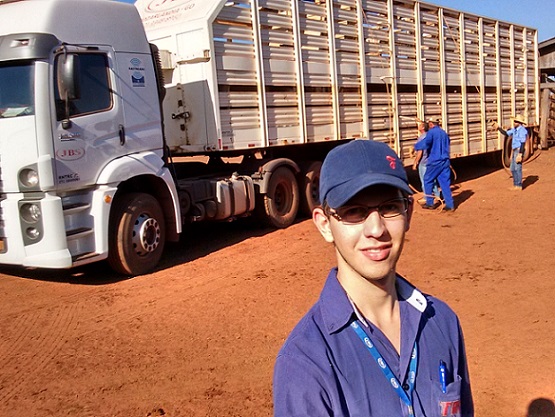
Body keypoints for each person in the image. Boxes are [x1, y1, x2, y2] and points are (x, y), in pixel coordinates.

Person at [273, 139, 474, 417]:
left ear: (409, 212)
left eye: (390, 207)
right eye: (354, 212)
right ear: (324, 224)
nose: (377, 229)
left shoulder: (443, 321)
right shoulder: (305, 361)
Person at [414, 118, 455, 211]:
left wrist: (415, 147)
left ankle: (430, 203)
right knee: (445, 183)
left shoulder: (431, 133)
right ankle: (450, 205)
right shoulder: (444, 133)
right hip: (445, 161)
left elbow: (426, 144)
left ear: (431, 124)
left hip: (435, 162)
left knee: (427, 180)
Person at [496, 115, 528, 190]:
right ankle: (515, 184)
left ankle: (519, 185)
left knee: (518, 168)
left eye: (516, 121)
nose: (514, 123)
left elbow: (523, 143)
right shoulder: (514, 130)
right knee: (512, 168)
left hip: (519, 150)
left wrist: (520, 154)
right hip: (514, 150)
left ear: (519, 123)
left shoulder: (522, 131)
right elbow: (506, 133)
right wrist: (498, 128)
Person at [412, 121, 440, 204]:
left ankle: (427, 197)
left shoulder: (421, 138)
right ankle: (437, 196)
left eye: (419, 125)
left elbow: (420, 152)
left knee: (425, 181)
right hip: (431, 162)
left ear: (423, 128)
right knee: (433, 180)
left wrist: (415, 162)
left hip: (424, 163)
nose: (418, 126)